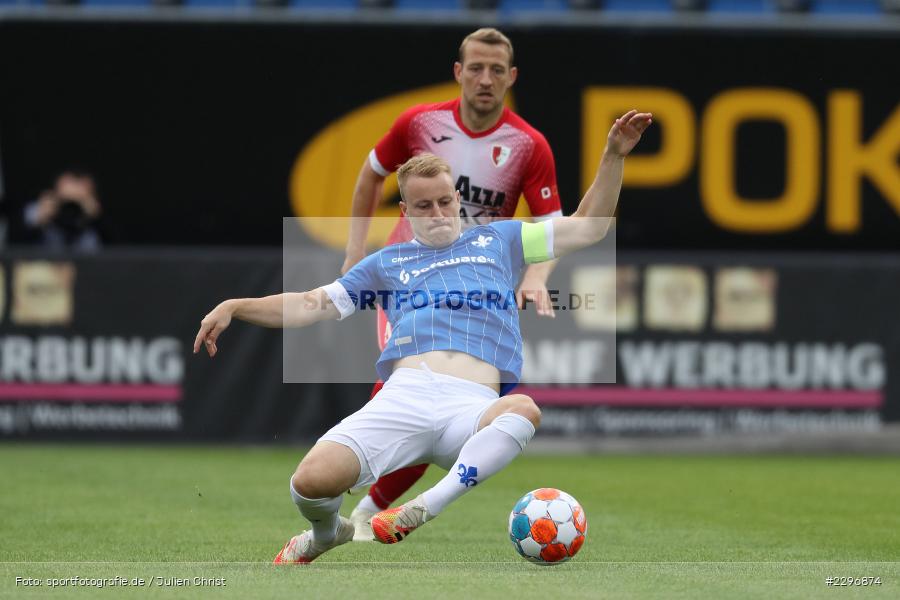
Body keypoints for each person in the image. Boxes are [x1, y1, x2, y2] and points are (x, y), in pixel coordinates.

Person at [193, 109, 651, 564]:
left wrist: (613, 156)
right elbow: (311, 304)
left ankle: (424, 507)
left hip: (471, 405)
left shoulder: (500, 240)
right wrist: (237, 306)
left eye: (445, 201)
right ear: (405, 210)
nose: (438, 213)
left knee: (523, 410)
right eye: (424, 205)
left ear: (457, 198)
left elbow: (590, 225)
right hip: (404, 398)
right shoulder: (386, 263)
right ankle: (326, 534)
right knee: (309, 483)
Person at [343, 28, 564, 537]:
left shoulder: (528, 146)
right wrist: (355, 253)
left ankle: (364, 508)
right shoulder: (419, 124)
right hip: (410, 281)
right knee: (411, 388)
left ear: (511, 78)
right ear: (458, 72)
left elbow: (554, 227)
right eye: (476, 68)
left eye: (496, 71)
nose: (485, 79)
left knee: (440, 405)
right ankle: (354, 491)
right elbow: (369, 175)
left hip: (478, 292)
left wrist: (536, 276)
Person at [23, 169, 105, 251]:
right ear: (53, 194)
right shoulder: (38, 212)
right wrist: (39, 219)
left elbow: (114, 249)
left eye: (76, 203)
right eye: (65, 202)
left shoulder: (96, 223)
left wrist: (97, 219)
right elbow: (16, 244)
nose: (71, 209)